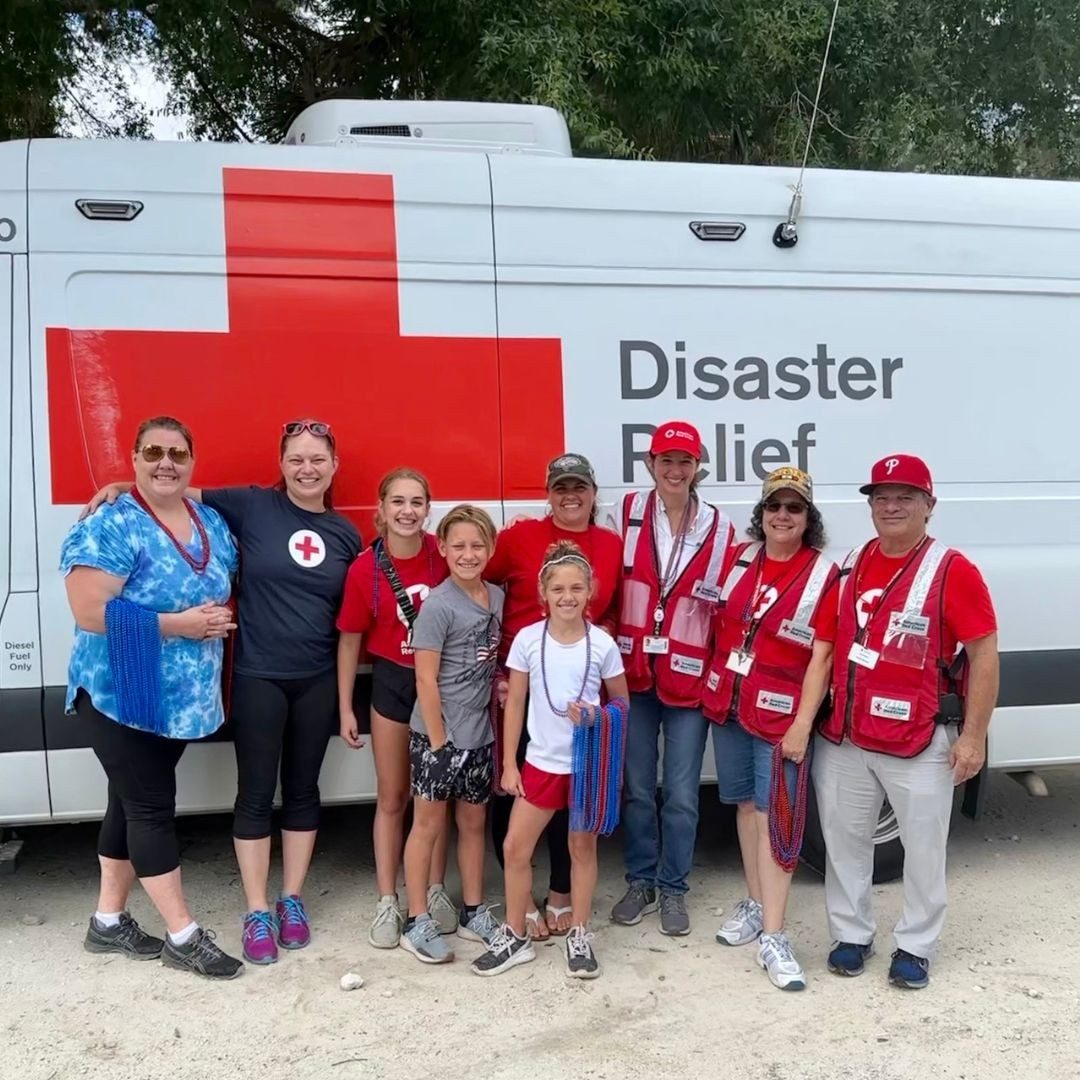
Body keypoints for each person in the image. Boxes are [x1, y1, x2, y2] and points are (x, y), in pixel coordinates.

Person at [85, 419, 362, 965]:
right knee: (256, 795)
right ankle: (257, 910)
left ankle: (292, 901)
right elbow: (172, 488)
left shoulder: (346, 535)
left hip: (317, 680)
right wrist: (123, 485)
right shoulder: (254, 505)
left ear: (334, 467)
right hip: (258, 677)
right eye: (297, 459)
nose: (307, 469)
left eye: (318, 460)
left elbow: (350, 620)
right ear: (281, 464)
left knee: (304, 791)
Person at [63, 416, 243, 979]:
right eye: (153, 452)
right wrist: (180, 625)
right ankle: (183, 936)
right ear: (134, 458)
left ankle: (108, 922)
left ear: (192, 461)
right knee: (150, 808)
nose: (165, 462)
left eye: (177, 453)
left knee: (126, 802)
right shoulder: (110, 525)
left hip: (180, 701)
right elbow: (90, 611)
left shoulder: (208, 520)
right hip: (124, 693)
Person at [815, 454, 999, 989]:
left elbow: (985, 655)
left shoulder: (952, 569)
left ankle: (916, 945)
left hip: (918, 739)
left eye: (905, 496)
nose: (891, 506)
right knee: (844, 840)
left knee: (922, 848)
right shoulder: (851, 563)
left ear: (929, 506)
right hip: (846, 736)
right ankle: (851, 934)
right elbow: (827, 646)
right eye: (881, 497)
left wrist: (973, 739)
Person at [703, 467, 838, 990]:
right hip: (733, 707)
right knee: (743, 806)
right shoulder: (740, 560)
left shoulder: (824, 574)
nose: (783, 516)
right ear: (761, 514)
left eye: (794, 508)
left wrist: (804, 723)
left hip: (782, 717)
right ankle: (757, 905)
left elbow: (821, 659)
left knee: (776, 817)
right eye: (774, 507)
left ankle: (776, 938)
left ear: (809, 518)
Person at [472, 541, 628, 978]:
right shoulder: (526, 640)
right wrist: (508, 763)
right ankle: (515, 932)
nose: (567, 596)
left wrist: (598, 716)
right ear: (543, 592)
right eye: (558, 588)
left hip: (585, 768)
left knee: (582, 849)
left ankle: (579, 933)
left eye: (577, 587)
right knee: (514, 847)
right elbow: (514, 702)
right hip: (541, 762)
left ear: (590, 591)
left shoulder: (601, 645)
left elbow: (622, 703)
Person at [485, 453, 622, 938]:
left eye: (579, 487)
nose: (570, 495)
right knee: (516, 791)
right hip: (519, 683)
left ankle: (562, 894)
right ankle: (520, 907)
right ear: (547, 493)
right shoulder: (519, 537)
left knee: (574, 804)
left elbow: (615, 611)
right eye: (561, 487)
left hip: (579, 684)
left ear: (592, 492)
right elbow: (473, 574)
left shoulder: (609, 545)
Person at [611, 421, 735, 936]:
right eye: (666, 461)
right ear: (650, 465)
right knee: (638, 787)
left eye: (685, 462)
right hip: (635, 675)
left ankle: (674, 889)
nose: (676, 470)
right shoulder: (626, 513)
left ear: (697, 467)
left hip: (688, 681)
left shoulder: (721, 528)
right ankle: (640, 879)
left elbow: (727, 610)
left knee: (681, 793)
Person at [336, 468, 455, 948]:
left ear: (429, 508)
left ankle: (434, 888)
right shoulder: (365, 568)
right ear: (381, 509)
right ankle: (388, 897)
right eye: (398, 502)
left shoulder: (442, 556)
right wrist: (345, 706)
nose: (408, 511)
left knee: (436, 796)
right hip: (389, 683)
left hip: (439, 686)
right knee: (392, 797)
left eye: (417, 502)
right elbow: (349, 641)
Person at [399, 505, 505, 964]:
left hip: (479, 734)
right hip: (438, 737)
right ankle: (417, 918)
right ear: (441, 547)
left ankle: (474, 911)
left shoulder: (496, 597)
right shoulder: (438, 606)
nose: (468, 554)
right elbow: (425, 680)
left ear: (491, 549)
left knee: (474, 823)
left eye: (477, 545)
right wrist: (439, 742)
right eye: (458, 545)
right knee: (427, 825)